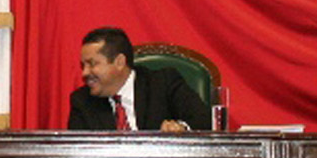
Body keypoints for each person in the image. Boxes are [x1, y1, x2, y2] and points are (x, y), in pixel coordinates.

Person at [66, 26, 212, 132]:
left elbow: (205, 120)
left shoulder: (163, 83)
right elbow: (77, 152)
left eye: (92, 64)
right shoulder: (82, 101)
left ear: (119, 62)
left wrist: (181, 128)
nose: (85, 73)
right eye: (83, 66)